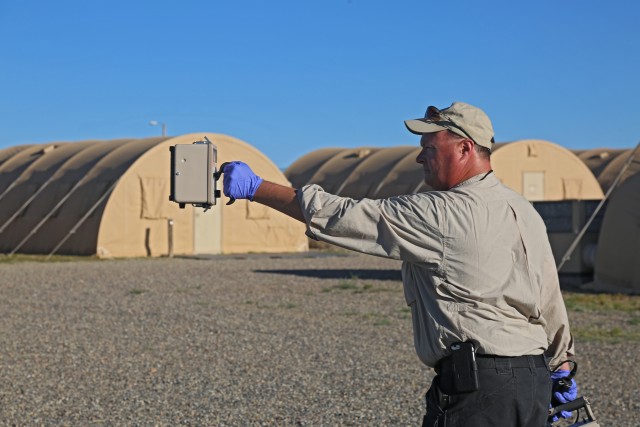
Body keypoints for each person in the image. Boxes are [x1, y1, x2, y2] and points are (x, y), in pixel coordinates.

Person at [221, 101, 577, 426]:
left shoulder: (443, 211)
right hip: (533, 384)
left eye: (429, 149)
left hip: (480, 393)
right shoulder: (522, 210)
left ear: (465, 147)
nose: (420, 159)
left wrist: (257, 188)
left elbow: (348, 218)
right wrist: (561, 364)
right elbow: (548, 294)